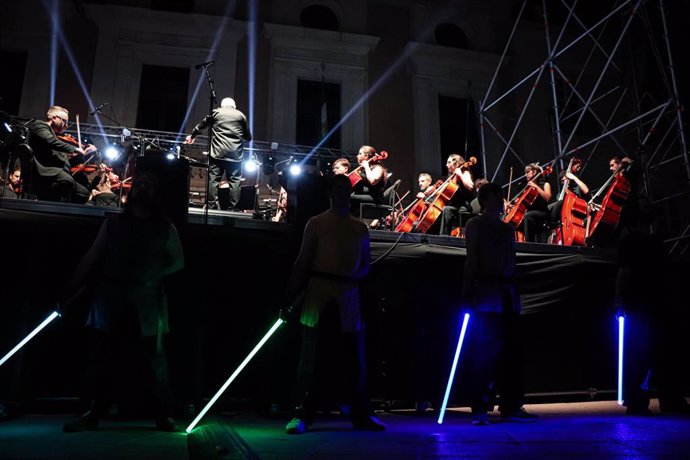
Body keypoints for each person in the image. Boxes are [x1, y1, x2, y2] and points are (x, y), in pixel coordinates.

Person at [62, 173, 184, 433]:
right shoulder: (114, 224)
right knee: (101, 359)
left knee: (152, 362)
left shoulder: (165, 226)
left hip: (144, 300)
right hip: (112, 297)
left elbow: (177, 260)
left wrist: (154, 274)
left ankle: (163, 416)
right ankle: (91, 414)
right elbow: (93, 254)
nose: (142, 189)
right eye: (139, 185)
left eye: (147, 186)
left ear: (154, 193)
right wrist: (72, 285)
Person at [284, 174, 385, 434]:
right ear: (329, 192)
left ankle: (361, 414)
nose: (342, 192)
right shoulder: (317, 223)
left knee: (355, 361)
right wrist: (289, 296)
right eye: (337, 188)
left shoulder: (359, 228)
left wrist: (349, 280)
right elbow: (303, 261)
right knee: (311, 357)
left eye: (345, 188)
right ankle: (301, 413)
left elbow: (364, 266)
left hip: (347, 297)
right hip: (320, 295)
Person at [462, 182, 538, 425]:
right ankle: (480, 407)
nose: (499, 202)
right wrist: (468, 291)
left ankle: (511, 405)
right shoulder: (475, 225)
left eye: (500, 198)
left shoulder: (507, 229)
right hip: (486, 293)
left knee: (510, 354)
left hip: (506, 295)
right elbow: (472, 260)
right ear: (485, 201)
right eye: (494, 198)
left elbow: (511, 262)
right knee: (484, 353)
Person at [615, 198, 690, 416]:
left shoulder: (651, 240)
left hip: (653, 301)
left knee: (658, 351)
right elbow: (625, 272)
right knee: (642, 352)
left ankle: (661, 399)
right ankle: (648, 400)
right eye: (645, 206)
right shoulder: (635, 241)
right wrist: (619, 300)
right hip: (642, 302)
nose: (650, 207)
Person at [185, 97, 252, 210]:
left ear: (222, 105)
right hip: (235, 156)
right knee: (235, 183)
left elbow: (201, 126)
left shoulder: (216, 113)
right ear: (234, 106)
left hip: (217, 153)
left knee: (214, 181)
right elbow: (248, 137)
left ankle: (211, 206)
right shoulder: (241, 116)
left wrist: (192, 136)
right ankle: (233, 209)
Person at [25, 106, 96, 202]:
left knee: (84, 194)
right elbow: (50, 141)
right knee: (67, 181)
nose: (66, 125)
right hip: (47, 171)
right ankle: (42, 198)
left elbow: (64, 158)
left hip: (59, 171)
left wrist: (81, 154)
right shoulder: (39, 126)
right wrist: (74, 149)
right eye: (64, 121)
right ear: (54, 118)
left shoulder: (55, 136)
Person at [438, 154, 475, 235]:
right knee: (438, 212)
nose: (446, 165)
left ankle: (443, 237)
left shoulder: (465, 173)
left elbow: (471, 186)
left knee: (446, 210)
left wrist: (460, 175)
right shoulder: (452, 178)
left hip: (463, 207)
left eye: (449, 162)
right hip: (454, 207)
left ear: (456, 163)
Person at [548, 157, 590, 224]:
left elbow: (587, 191)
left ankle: (551, 222)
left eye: (566, 178)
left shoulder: (577, 188)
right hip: (566, 220)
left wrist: (573, 177)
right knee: (553, 206)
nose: (565, 181)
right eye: (563, 180)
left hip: (580, 214)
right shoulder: (559, 195)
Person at [349, 145, 387, 212]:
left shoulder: (378, 168)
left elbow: (373, 181)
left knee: (348, 198)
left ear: (366, 156)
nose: (357, 156)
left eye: (360, 154)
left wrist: (366, 167)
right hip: (365, 196)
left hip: (375, 198)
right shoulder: (362, 170)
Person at [521, 163, 552, 242]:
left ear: (534, 172)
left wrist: (536, 187)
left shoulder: (545, 184)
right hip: (532, 213)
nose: (525, 175)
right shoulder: (528, 188)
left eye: (527, 172)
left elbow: (547, 198)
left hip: (543, 212)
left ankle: (529, 244)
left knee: (527, 216)